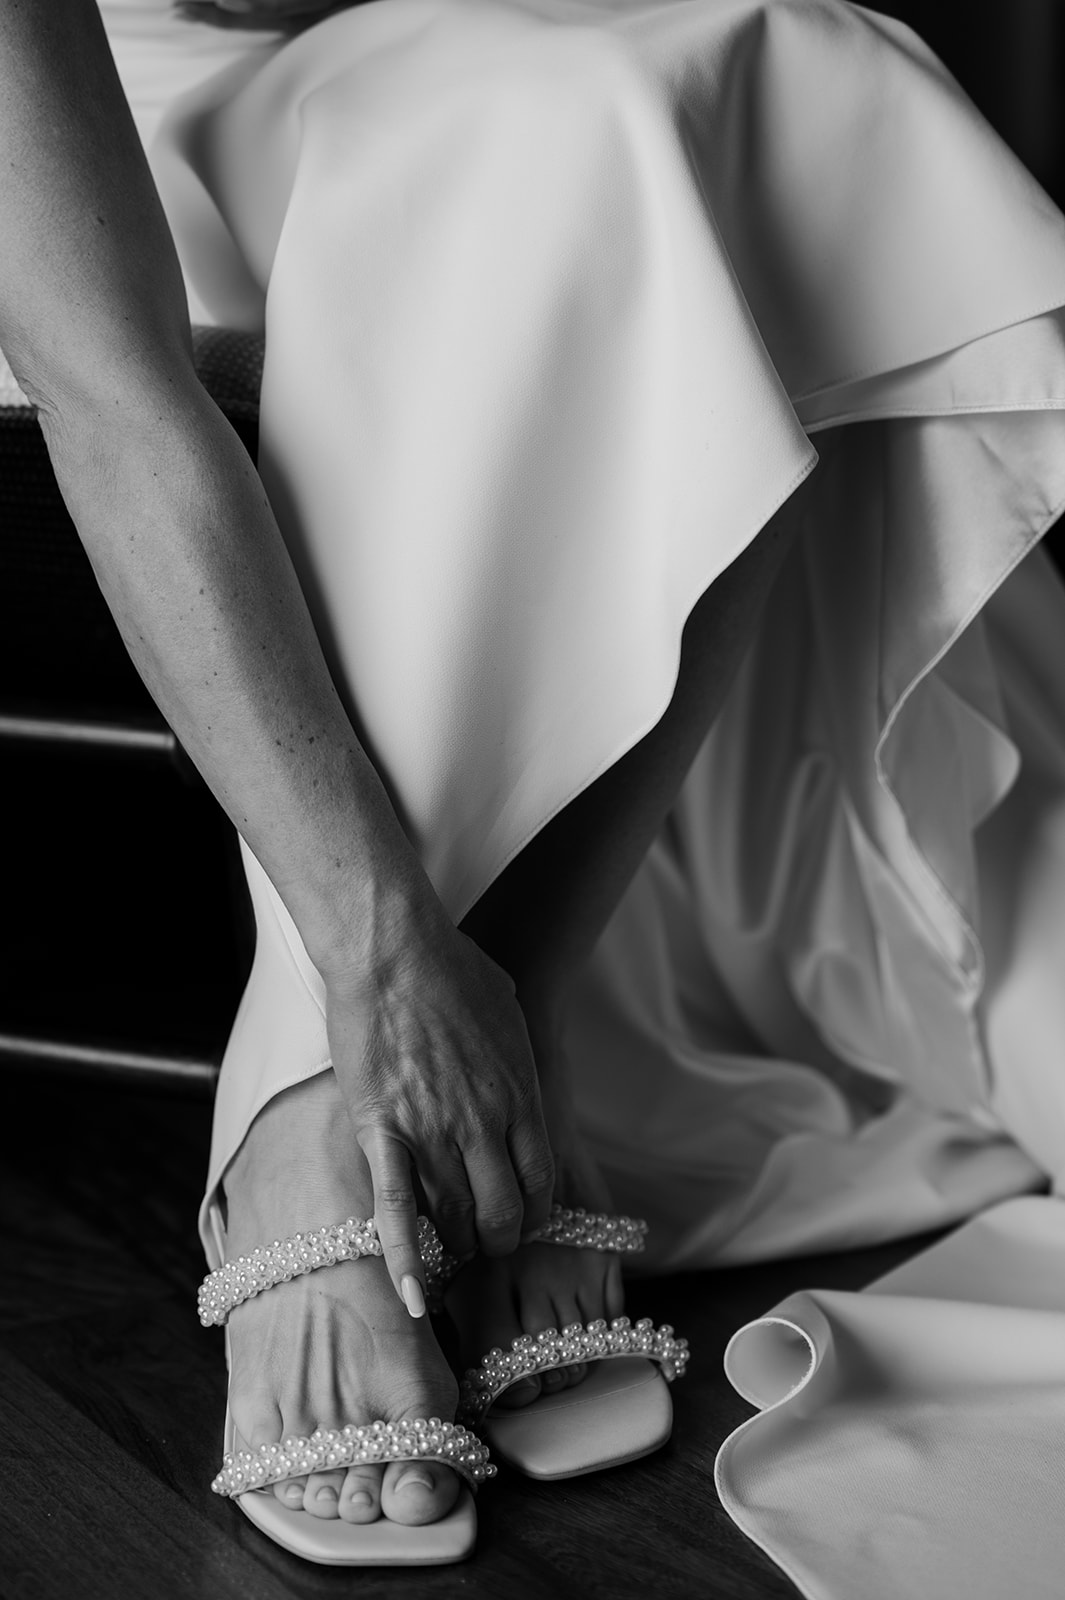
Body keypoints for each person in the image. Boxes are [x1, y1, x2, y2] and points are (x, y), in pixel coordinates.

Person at [6, 0, 1065, 1573]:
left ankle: (510, 1017)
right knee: (506, 156)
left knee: (754, 73)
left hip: (375, 54)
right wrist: (373, 951)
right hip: (75, 172)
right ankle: (312, 1108)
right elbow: (110, 387)